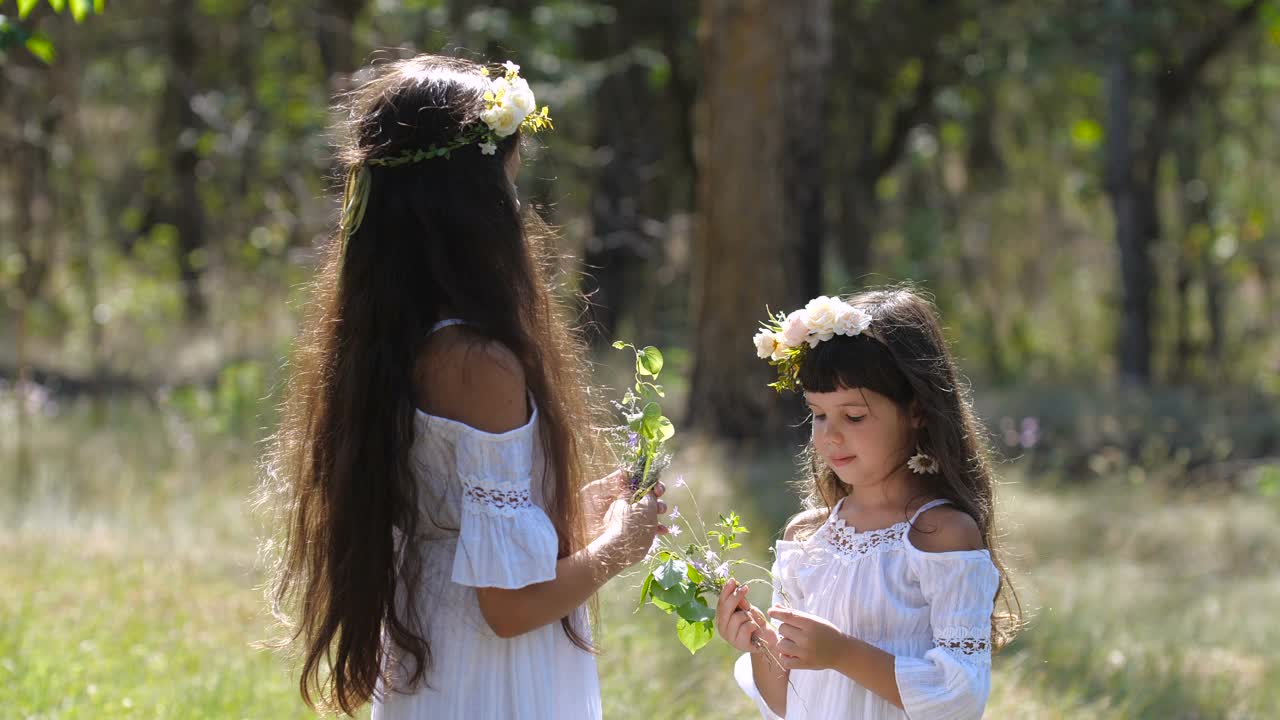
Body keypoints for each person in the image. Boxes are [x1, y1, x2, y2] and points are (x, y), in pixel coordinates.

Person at [259, 54, 667, 719]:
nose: (517, 204)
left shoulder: (398, 334)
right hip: (489, 675)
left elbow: (454, 515)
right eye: (508, 181)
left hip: (442, 658)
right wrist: (620, 546)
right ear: (470, 202)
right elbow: (508, 607)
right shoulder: (477, 360)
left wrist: (569, 513)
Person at [718, 288, 1020, 719]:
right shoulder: (806, 537)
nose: (830, 435)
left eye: (853, 416)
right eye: (819, 414)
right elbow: (790, 705)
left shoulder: (939, 536)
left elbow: (960, 696)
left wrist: (841, 653)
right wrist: (759, 642)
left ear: (916, 410)